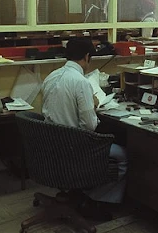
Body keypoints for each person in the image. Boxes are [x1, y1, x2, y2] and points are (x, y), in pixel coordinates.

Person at [42, 38, 127, 215]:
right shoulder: (81, 82)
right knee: (123, 154)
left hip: (51, 146)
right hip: (74, 148)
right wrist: (93, 106)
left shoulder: (51, 77)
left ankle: (85, 193)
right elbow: (90, 126)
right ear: (87, 57)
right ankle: (98, 199)